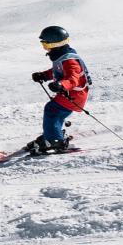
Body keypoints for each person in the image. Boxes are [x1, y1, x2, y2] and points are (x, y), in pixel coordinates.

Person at [23, 26, 92, 157]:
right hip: (70, 94)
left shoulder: (70, 60)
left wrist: (61, 84)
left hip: (74, 95)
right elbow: (57, 70)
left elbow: (73, 79)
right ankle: (52, 134)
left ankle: (55, 140)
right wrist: (43, 75)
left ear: (55, 44)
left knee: (52, 110)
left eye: (45, 44)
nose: (45, 48)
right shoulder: (62, 57)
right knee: (56, 112)